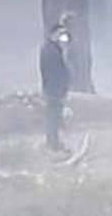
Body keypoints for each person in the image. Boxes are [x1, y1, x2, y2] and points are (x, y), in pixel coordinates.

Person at [39, 21, 71, 152]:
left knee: (55, 115)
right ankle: (53, 144)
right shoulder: (49, 50)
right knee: (53, 116)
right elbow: (52, 71)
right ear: (54, 34)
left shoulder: (54, 49)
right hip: (53, 89)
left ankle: (55, 142)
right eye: (60, 34)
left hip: (55, 89)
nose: (63, 37)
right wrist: (57, 88)